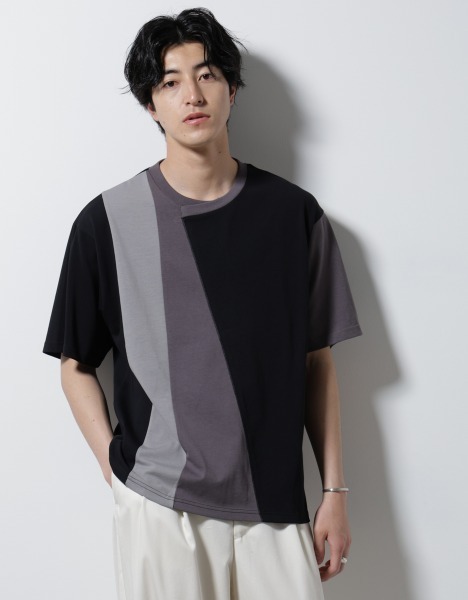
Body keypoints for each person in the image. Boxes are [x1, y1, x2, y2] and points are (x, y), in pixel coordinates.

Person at [43, 7, 362, 600]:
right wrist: (118, 472)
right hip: (161, 505)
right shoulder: (107, 222)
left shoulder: (293, 215)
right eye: (170, 82)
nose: (192, 94)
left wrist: (334, 492)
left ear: (232, 91)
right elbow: (74, 363)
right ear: (151, 104)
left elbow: (316, 360)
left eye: (207, 74)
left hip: (274, 500)